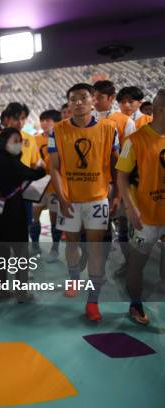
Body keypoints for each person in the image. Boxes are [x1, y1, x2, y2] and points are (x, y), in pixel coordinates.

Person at [49, 83, 120, 321]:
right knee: (71, 243)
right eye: (73, 99)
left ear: (93, 100)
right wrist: (61, 196)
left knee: (95, 249)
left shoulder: (109, 128)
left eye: (83, 98)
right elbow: (55, 167)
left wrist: (118, 194)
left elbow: (116, 164)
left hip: (98, 198)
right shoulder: (57, 130)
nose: (78, 102)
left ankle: (93, 301)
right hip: (69, 199)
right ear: (69, 104)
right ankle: (74, 279)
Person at [116, 89, 165, 326]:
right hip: (145, 217)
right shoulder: (134, 141)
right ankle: (135, 304)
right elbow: (122, 177)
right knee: (137, 265)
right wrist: (130, 207)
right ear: (161, 110)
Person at [0, 127, 46, 301]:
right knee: (21, 251)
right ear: (4, 142)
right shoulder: (12, 162)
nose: (19, 144)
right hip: (14, 212)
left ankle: (2, 290)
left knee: (0, 251)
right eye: (14, 141)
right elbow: (34, 173)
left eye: (20, 141)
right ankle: (21, 292)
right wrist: (42, 168)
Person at [0, 102, 40, 230]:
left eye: (23, 118)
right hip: (2, 194)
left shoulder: (30, 139)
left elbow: (34, 164)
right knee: (0, 230)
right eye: (16, 118)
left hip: (24, 193)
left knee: (24, 228)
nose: (20, 122)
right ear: (7, 119)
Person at [93, 80, 136, 268]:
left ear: (111, 98)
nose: (95, 101)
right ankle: (101, 267)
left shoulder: (126, 122)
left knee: (123, 225)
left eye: (100, 97)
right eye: (93, 97)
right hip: (94, 183)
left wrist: (121, 190)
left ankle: (129, 264)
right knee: (101, 227)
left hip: (117, 182)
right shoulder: (87, 119)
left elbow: (130, 158)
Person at [30, 110, 62, 261]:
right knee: (33, 217)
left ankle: (55, 248)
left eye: (49, 120)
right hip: (36, 184)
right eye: (42, 120)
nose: (45, 123)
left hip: (55, 185)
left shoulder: (62, 139)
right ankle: (35, 246)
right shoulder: (33, 139)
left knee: (54, 219)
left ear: (56, 122)